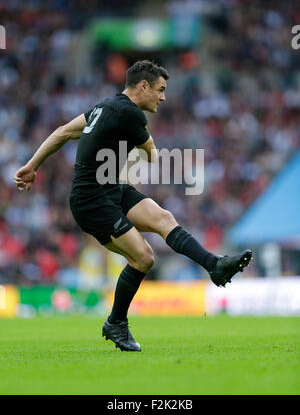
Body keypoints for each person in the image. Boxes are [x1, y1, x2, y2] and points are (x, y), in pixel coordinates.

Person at [14, 60, 252, 352]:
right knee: (144, 257)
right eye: (160, 90)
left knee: (163, 218)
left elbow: (63, 132)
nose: (163, 98)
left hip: (111, 188)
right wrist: (138, 144)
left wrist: (31, 165)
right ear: (143, 86)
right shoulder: (130, 113)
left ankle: (214, 265)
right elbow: (152, 154)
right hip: (92, 202)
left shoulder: (103, 107)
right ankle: (116, 322)